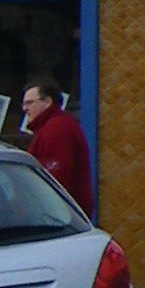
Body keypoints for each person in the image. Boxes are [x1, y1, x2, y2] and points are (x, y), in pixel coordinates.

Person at [20, 78, 94, 213]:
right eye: (24, 104)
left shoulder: (57, 128)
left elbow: (55, 177)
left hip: (60, 214)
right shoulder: (52, 126)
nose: (24, 108)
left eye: (29, 103)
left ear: (47, 102)